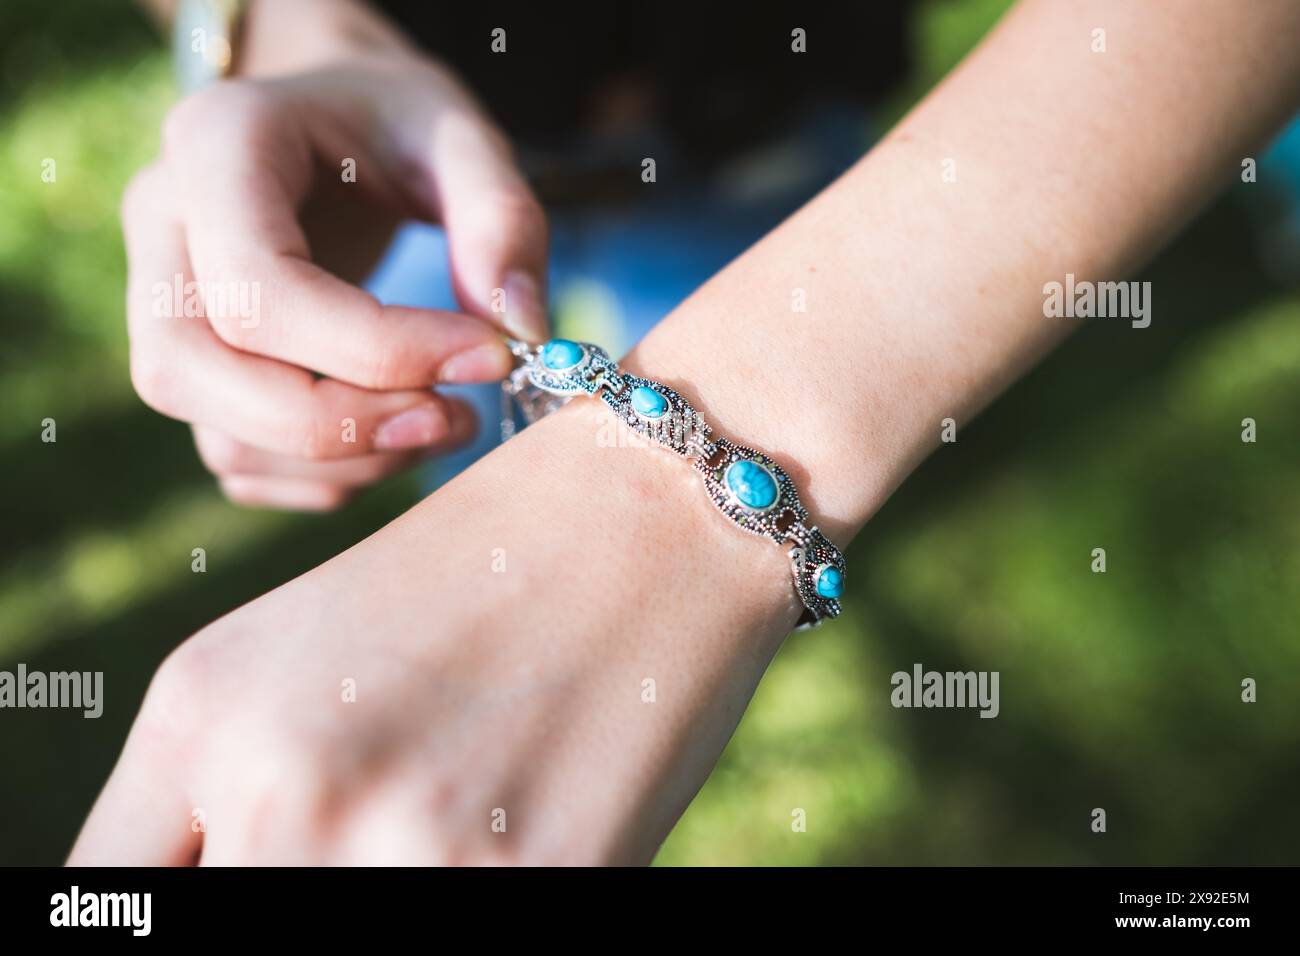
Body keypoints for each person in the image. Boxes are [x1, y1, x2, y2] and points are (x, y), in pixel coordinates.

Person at [72, 0, 1300, 864]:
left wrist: (659, 512)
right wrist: (285, 36)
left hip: (779, 143)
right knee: (440, 461)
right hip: (397, 168)